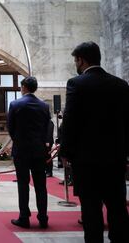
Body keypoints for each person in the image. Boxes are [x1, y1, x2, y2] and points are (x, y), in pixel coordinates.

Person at [61, 41, 129, 243]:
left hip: (87, 160)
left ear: (81, 60)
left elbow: (70, 120)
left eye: (75, 60)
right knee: (117, 208)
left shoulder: (76, 83)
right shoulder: (121, 85)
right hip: (115, 158)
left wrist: (66, 152)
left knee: (91, 211)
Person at [7, 76, 50, 229]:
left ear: (24, 87)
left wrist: (19, 141)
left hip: (22, 151)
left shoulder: (15, 104)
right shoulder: (44, 106)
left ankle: (24, 217)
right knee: (41, 186)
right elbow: (46, 128)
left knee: (23, 185)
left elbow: (11, 128)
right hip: (39, 151)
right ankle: (43, 218)